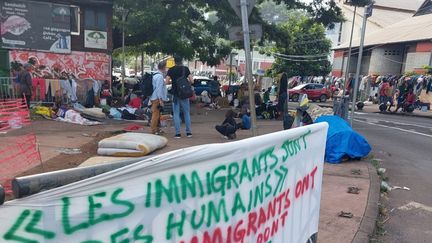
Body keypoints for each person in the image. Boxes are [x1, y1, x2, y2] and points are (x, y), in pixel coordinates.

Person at [165, 55, 193, 138]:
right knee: (186, 113)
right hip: (184, 94)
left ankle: (178, 133)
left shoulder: (171, 70)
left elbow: (166, 82)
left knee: (176, 114)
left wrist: (173, 82)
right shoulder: (185, 69)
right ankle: (189, 133)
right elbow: (192, 81)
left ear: (174, 61)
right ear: (182, 61)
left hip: (175, 94)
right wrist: (185, 83)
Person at [150, 61, 168, 135]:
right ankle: (154, 130)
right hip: (157, 98)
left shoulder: (154, 75)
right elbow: (159, 89)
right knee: (155, 114)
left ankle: (157, 129)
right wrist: (161, 100)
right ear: (163, 67)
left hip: (153, 97)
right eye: (166, 67)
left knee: (157, 114)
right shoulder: (160, 77)